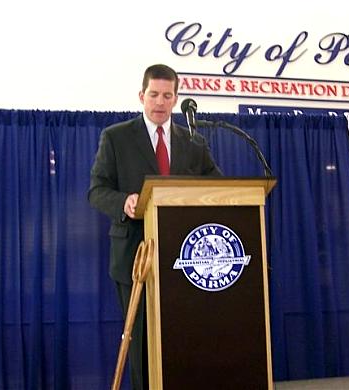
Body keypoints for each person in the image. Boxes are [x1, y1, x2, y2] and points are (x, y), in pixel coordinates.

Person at [88, 64, 222, 390]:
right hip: (136, 258)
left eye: (167, 95)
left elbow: (217, 187)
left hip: (186, 260)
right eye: (154, 94)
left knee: (184, 339)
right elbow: (97, 190)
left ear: (176, 99)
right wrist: (124, 202)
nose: (160, 102)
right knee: (143, 345)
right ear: (141, 96)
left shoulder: (194, 142)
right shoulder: (117, 137)